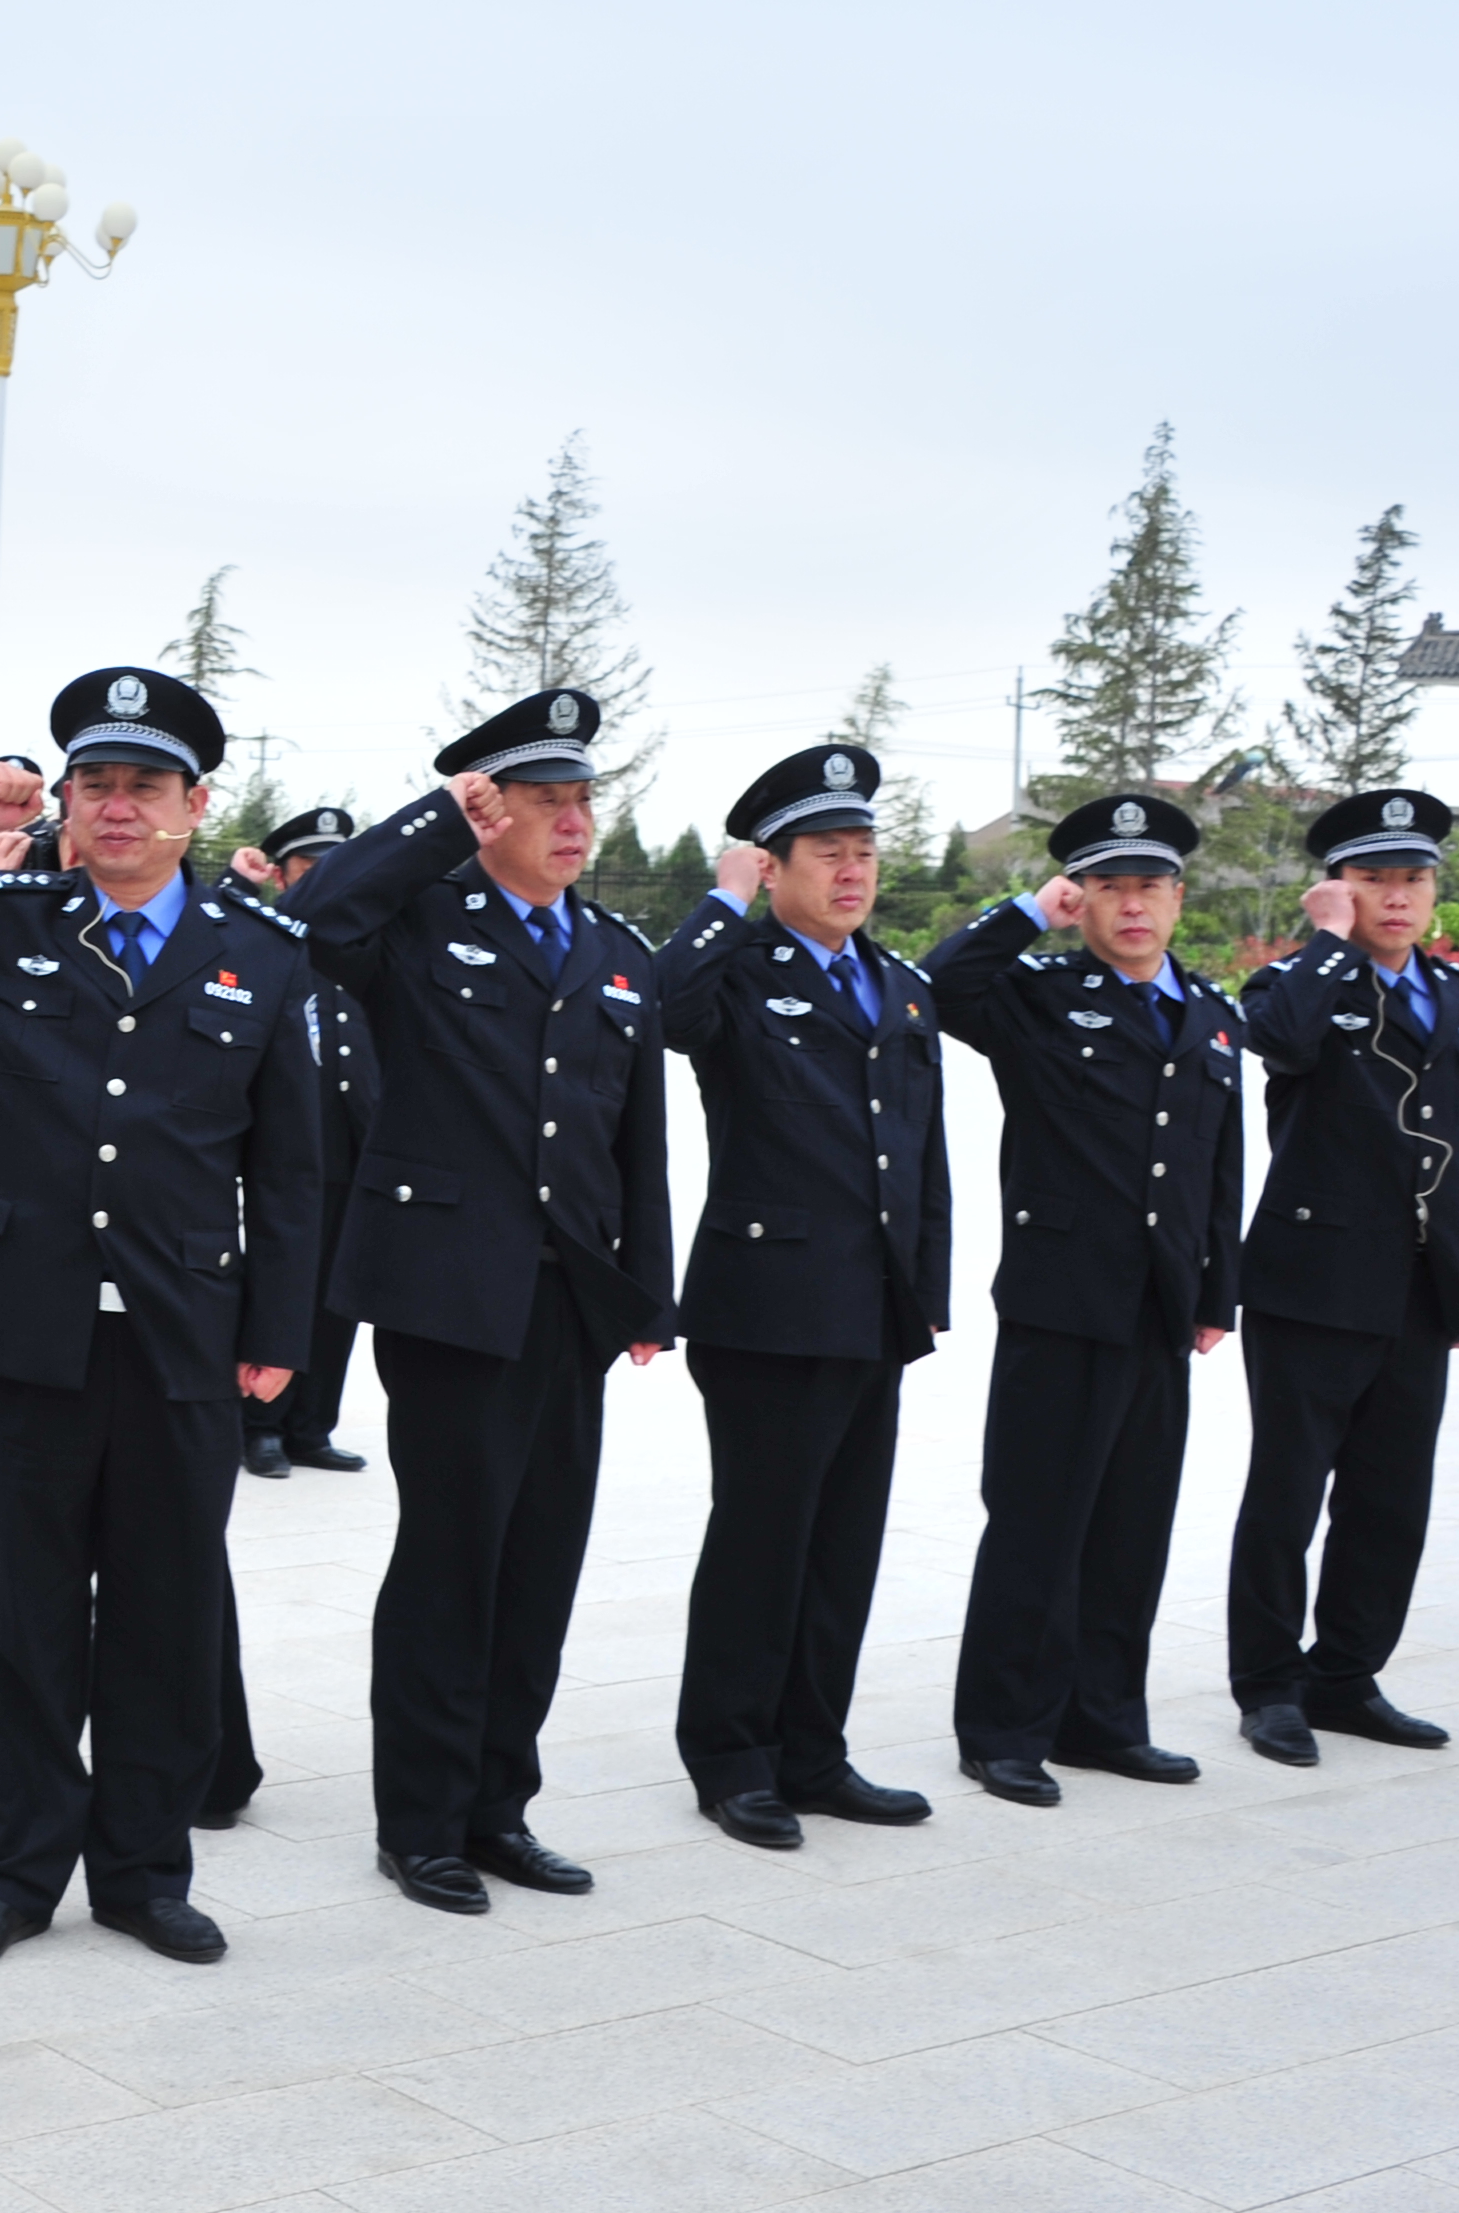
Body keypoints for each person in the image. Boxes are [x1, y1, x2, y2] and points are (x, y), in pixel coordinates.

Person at [0, 674, 318, 1970]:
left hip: (185, 1329)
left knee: (169, 1611)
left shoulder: (261, 955)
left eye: (147, 787)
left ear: (195, 808)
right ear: (63, 802)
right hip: (26, 1323)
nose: (118, 807)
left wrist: (280, 1330)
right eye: (95, 783)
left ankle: (142, 1870)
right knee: (29, 1610)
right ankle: (13, 1870)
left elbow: (287, 1168)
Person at [289, 691, 675, 1911]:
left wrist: (645, 1296)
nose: (571, 822)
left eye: (580, 800)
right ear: (487, 810)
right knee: (453, 1559)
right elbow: (307, 921)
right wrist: (432, 824)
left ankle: (499, 1807)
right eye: (543, 801)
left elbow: (641, 1141)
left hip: (569, 1299)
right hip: (448, 1294)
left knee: (539, 1563)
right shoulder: (418, 922)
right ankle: (421, 1823)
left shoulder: (614, 953)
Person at [653, 746, 952, 1847]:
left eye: (863, 853)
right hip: (765, 1305)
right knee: (762, 1541)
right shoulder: (732, 973)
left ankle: (814, 1752)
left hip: (871, 1308)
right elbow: (658, 1010)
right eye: (824, 852)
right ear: (770, 867)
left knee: (842, 1544)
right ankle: (730, 1757)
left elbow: (921, 1152)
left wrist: (925, 1287)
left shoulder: (899, 986)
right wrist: (718, 899)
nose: (850, 872)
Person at [926, 792, 1244, 1806]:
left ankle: (1102, 1719)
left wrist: (1215, 1293)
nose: (1130, 904)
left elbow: (1220, 1166)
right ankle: (1002, 1729)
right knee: (1036, 1520)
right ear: (1081, 897)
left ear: (1177, 897)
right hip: (1060, 1301)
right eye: (1107, 886)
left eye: (1147, 885)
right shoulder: (1039, 997)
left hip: (1158, 1305)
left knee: (1129, 1523)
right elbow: (940, 985)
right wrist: (1028, 912)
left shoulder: (1208, 1015)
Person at [1227, 787, 1459, 1761]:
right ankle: (1266, 1685)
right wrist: (1328, 945)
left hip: (1417, 1291)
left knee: (1389, 1499)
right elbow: (1281, 1041)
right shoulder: (1299, 983)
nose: (1396, 896)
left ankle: (1344, 1674)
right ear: (1333, 890)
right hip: (1310, 1282)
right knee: (1287, 1494)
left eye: (1411, 878)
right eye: (1372, 878)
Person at [230, 806, 378, 1477]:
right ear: (284, 876)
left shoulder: (362, 948)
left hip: (354, 1149)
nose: (326, 880)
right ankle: (259, 1424)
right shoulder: (265, 943)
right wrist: (239, 888)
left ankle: (313, 1425)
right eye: (310, 867)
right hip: (288, 1150)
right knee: (281, 1283)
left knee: (338, 1296)